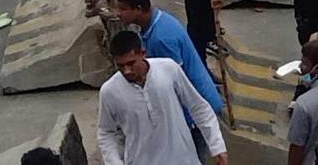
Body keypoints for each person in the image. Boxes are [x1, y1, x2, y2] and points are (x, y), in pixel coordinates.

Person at [94, 27, 232, 165]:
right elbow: (106, 132)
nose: (127, 71)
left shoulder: (169, 69)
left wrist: (217, 146)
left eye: (131, 63)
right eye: (121, 66)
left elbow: (198, 107)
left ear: (142, 54)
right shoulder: (109, 91)